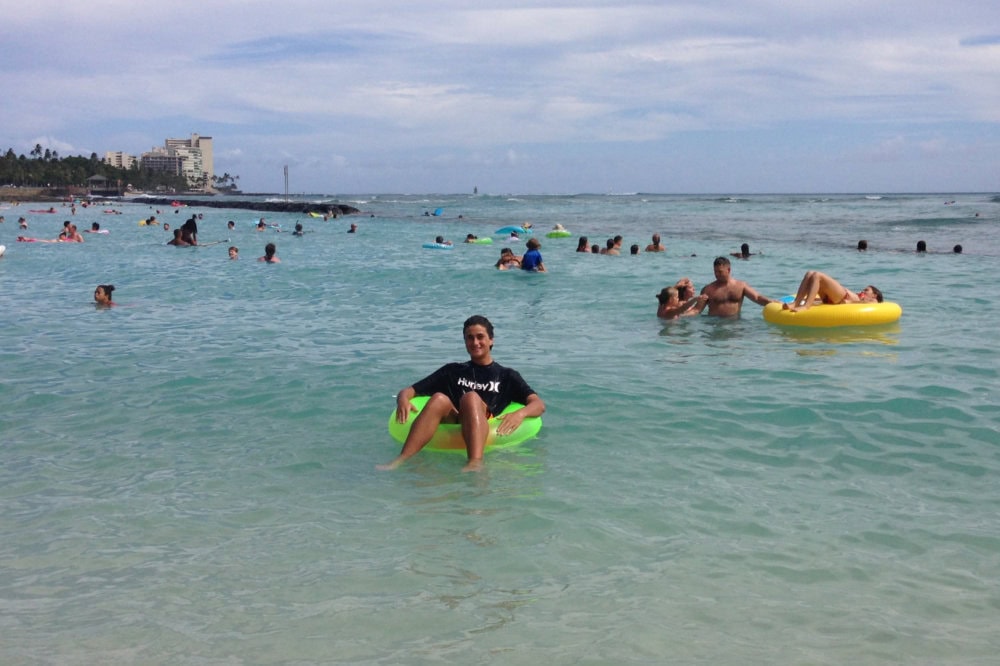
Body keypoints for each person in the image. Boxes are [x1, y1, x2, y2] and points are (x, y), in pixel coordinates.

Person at [378, 315, 545, 472]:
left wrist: (520, 414)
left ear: (491, 340)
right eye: (469, 338)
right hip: (456, 418)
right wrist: (402, 399)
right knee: (438, 399)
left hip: (485, 419)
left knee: (470, 397)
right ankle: (402, 458)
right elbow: (410, 391)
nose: (475, 342)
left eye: (480, 337)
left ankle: (475, 462)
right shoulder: (452, 371)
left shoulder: (507, 376)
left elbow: (538, 404)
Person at [693, 256, 774, 317]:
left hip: (735, 326)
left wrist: (774, 302)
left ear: (728, 270)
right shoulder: (707, 290)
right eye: (715, 271)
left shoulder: (741, 286)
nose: (717, 274)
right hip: (715, 325)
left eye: (720, 272)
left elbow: (757, 298)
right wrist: (685, 314)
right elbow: (697, 310)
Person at [782, 270, 883, 312]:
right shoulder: (862, 297)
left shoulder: (873, 300)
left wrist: (850, 302)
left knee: (817, 275)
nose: (863, 291)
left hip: (843, 297)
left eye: (867, 290)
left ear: (874, 295)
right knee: (810, 274)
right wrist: (813, 301)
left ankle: (806, 306)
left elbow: (873, 303)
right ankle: (796, 302)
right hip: (832, 298)